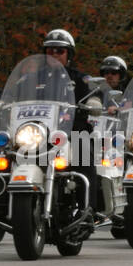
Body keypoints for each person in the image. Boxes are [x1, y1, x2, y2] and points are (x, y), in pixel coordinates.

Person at [43, 28, 99, 215]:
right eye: (50, 50)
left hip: (74, 131)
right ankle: (2, 208)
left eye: (60, 50)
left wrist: (94, 102)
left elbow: (95, 94)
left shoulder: (80, 78)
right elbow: (15, 94)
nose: (55, 54)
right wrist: (3, 103)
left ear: (69, 54)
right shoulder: (33, 78)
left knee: (84, 152)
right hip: (41, 132)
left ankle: (87, 209)